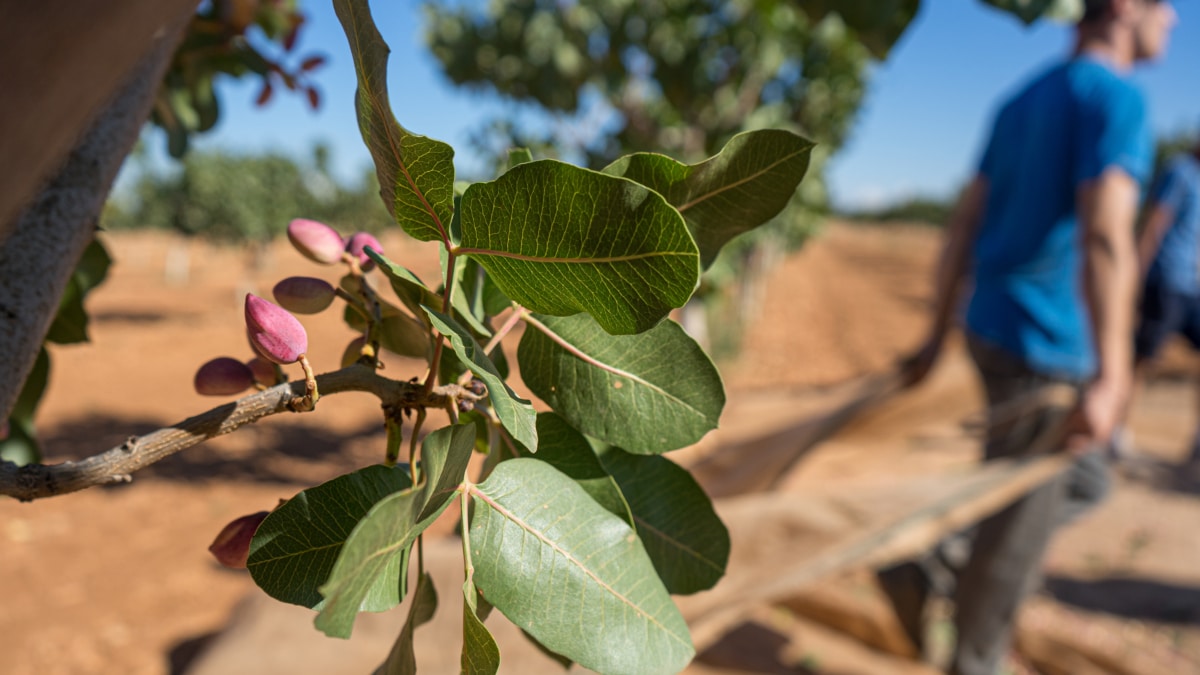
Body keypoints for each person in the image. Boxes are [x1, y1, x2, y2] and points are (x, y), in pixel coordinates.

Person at [887, 1, 1177, 673]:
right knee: (1015, 543)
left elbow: (964, 223)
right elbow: (1107, 234)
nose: (1176, 21)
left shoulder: (1020, 100)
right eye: (1167, 5)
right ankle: (974, 659)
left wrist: (937, 334)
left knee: (1084, 481)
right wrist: (1113, 372)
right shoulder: (1119, 101)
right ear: (1127, 8)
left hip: (991, 326)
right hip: (1046, 346)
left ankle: (930, 556)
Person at [1130, 136, 1200, 467]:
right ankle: (1115, 430)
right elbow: (1157, 221)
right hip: (1165, 279)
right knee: (1143, 357)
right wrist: (1136, 274)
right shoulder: (1180, 171)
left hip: (1192, 285)